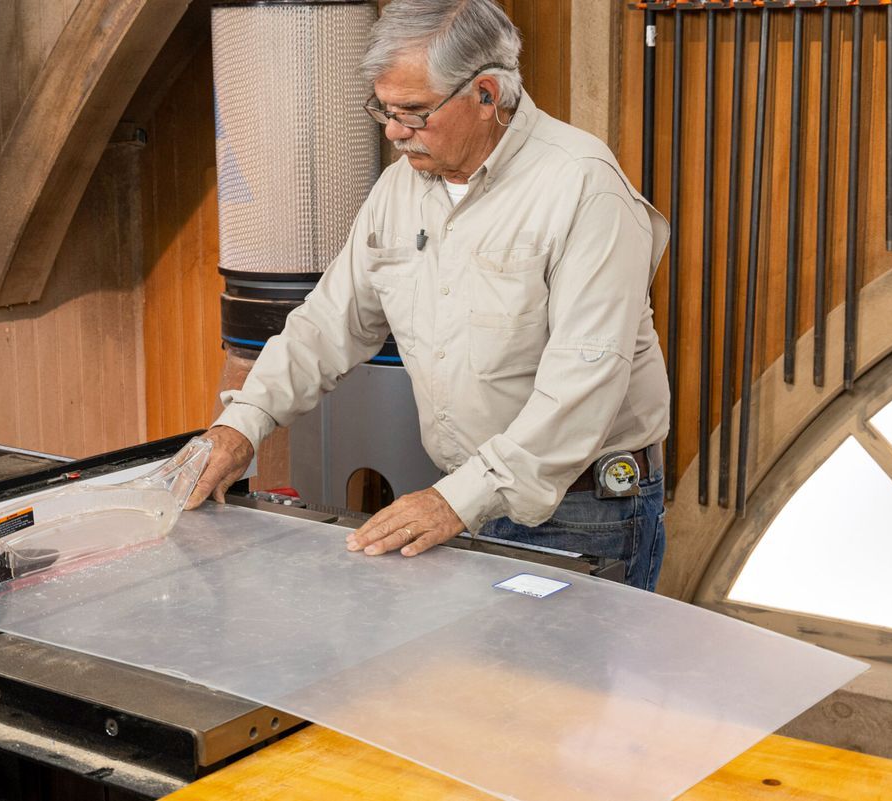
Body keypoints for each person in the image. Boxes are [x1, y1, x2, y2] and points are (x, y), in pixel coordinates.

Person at [185, 0, 671, 590]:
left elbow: (584, 384)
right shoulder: (401, 186)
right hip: (471, 497)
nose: (392, 132)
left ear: (487, 95)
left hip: (585, 509)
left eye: (413, 112)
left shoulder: (584, 186)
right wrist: (242, 424)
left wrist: (454, 502)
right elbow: (328, 323)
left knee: (562, 686)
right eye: (385, 110)